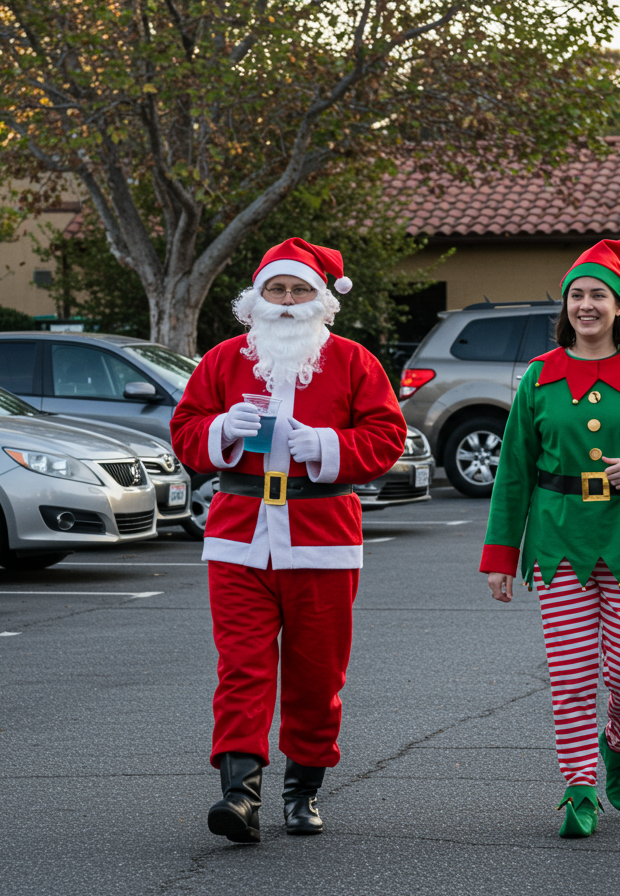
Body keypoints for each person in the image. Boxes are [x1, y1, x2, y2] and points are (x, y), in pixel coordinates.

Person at [171, 237, 407, 844]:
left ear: (322, 301)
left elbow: (386, 438)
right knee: (242, 668)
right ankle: (239, 794)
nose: (286, 301)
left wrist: (328, 446)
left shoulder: (354, 361)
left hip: (322, 537)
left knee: (316, 672)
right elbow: (186, 432)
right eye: (276, 289)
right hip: (238, 535)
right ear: (256, 299)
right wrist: (222, 428)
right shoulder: (223, 359)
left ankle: (303, 790)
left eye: (300, 290)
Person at [479, 231, 620, 838]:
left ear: (619, 307)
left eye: (598, 296)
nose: (586, 306)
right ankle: (579, 787)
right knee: (572, 672)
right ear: (565, 308)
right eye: (576, 296)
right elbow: (514, 472)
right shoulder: (539, 377)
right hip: (557, 543)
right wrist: (502, 556)